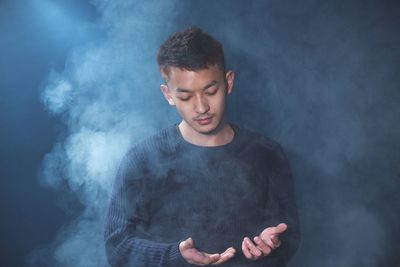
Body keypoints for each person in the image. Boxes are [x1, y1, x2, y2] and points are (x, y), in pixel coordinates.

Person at [104, 26, 300, 267]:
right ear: (168, 95)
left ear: (228, 83)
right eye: (185, 97)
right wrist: (176, 255)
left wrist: (274, 246)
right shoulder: (142, 159)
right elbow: (117, 247)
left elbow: (290, 236)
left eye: (211, 91)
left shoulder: (267, 154)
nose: (201, 107)